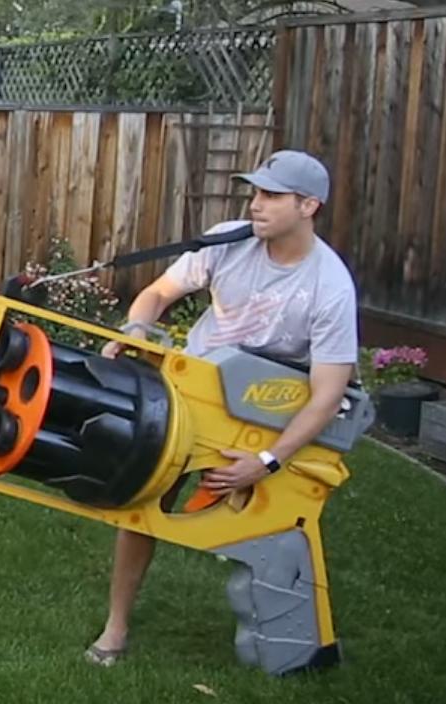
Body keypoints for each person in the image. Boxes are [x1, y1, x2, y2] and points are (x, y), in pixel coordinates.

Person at [85, 149, 359, 667]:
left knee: (275, 532)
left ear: (309, 206)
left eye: (271, 196)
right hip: (191, 393)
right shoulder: (230, 240)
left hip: (264, 417)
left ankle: (291, 642)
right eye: (254, 192)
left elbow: (327, 396)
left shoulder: (330, 286)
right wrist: (137, 329)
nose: (256, 205)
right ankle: (116, 628)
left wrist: (268, 462)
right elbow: (157, 292)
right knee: (140, 504)